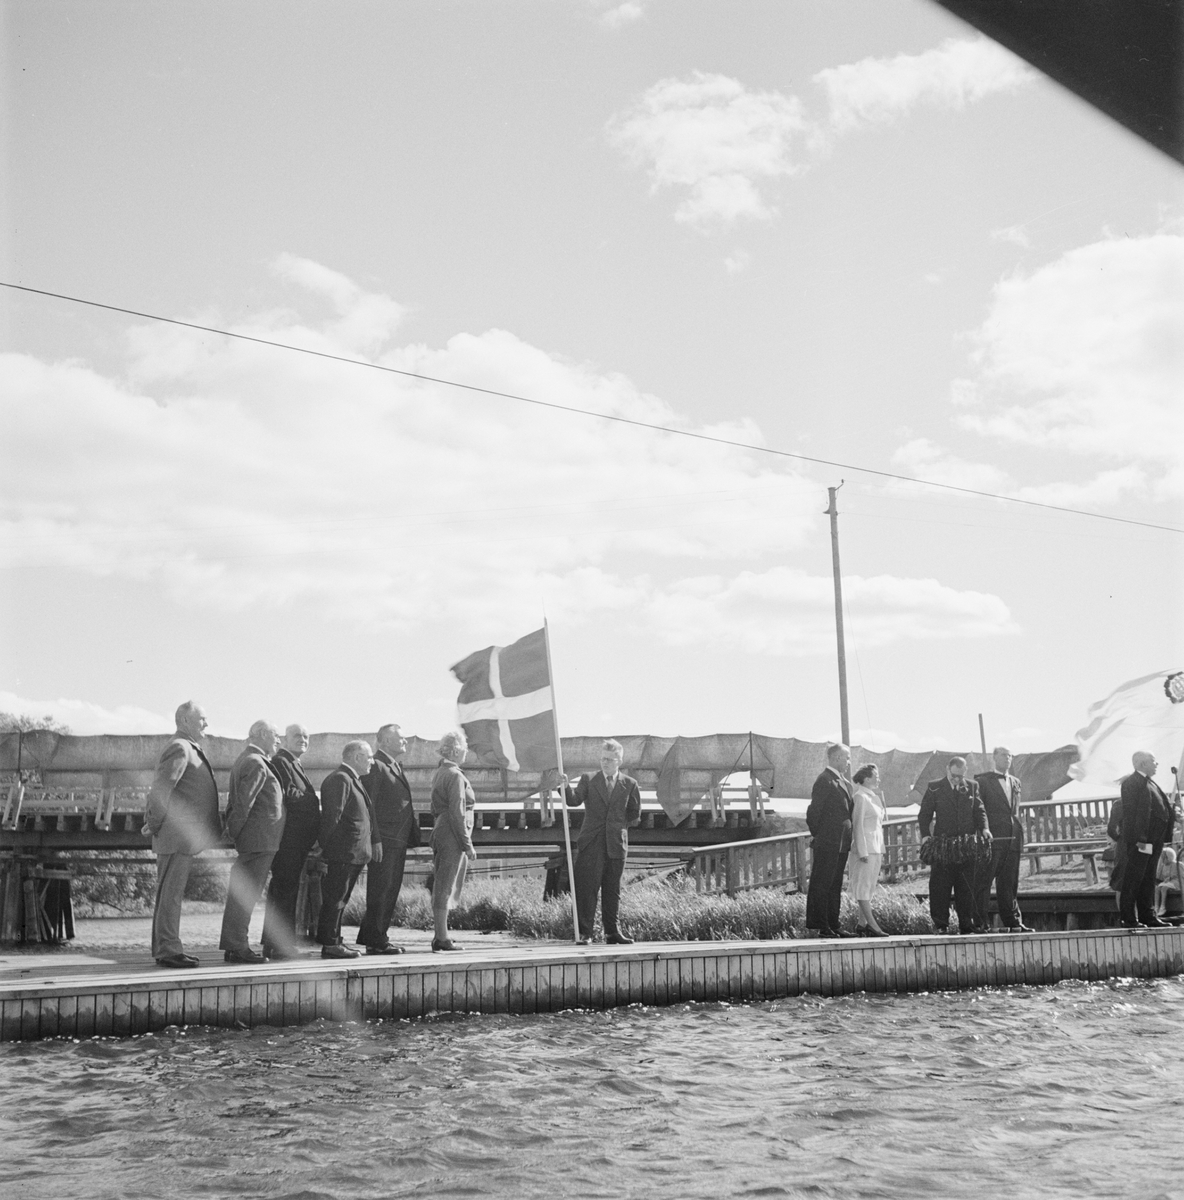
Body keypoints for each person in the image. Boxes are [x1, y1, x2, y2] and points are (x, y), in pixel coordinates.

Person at [144, 701, 222, 968]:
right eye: (202, 719)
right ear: (185, 721)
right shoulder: (179, 747)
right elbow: (160, 792)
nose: (206, 724)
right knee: (170, 895)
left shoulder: (189, 747)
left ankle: (169, 948)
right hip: (174, 836)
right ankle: (167, 951)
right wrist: (153, 825)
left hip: (180, 838)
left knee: (172, 894)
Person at [561, 739, 642, 945]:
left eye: (610, 759)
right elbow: (573, 800)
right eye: (603, 759)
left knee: (612, 890)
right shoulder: (589, 779)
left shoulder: (630, 784)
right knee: (586, 889)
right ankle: (585, 933)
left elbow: (634, 813)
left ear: (619, 761)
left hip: (616, 844)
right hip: (592, 842)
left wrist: (617, 826)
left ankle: (612, 932)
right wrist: (564, 787)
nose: (605, 763)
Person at [219, 721, 286, 964]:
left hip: (259, 839)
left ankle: (234, 945)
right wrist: (235, 831)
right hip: (258, 840)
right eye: (275, 735)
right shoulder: (255, 762)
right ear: (260, 735)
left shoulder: (251, 760)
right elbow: (242, 804)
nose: (279, 740)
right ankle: (237, 947)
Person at [357, 723, 420, 954]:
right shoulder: (377, 766)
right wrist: (375, 839)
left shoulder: (393, 765)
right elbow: (369, 804)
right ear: (384, 741)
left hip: (397, 838)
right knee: (381, 889)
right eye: (400, 738)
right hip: (385, 839)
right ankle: (376, 941)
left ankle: (374, 935)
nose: (405, 741)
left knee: (390, 888)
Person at [261, 723, 321, 960]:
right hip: (288, 839)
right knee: (284, 890)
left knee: (283, 890)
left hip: (295, 839)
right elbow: (288, 794)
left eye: (306, 736)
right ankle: (281, 946)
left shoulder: (293, 763)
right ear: (284, 740)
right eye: (297, 736)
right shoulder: (282, 762)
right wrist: (314, 800)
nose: (303, 739)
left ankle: (273, 943)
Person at [316, 740, 379, 958]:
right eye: (369, 757)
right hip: (343, 852)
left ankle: (334, 940)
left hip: (351, 852)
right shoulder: (340, 779)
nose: (372, 761)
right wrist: (327, 848)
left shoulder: (353, 779)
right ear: (356, 757)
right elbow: (332, 817)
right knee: (336, 898)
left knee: (340, 899)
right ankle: (331, 944)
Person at [919, 756, 990, 934]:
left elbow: (979, 810)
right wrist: (926, 836)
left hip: (967, 845)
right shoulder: (934, 786)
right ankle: (940, 925)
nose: (957, 779)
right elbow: (924, 814)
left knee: (966, 886)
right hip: (943, 845)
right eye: (954, 775)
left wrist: (985, 829)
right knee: (940, 886)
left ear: (965, 772)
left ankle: (967, 924)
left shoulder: (972, 786)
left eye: (960, 775)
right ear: (947, 769)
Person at [973, 746, 1033, 933]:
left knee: (1009, 881)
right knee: (984, 880)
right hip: (992, 837)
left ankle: (1013, 921)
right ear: (994, 758)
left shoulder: (1015, 782)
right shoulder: (983, 781)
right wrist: (983, 830)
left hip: (1013, 836)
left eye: (1010, 755)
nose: (1007, 758)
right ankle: (981, 922)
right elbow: (978, 809)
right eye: (1003, 755)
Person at [429, 730, 477, 951]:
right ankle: (442, 938)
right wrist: (467, 845)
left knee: (442, 882)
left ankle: (441, 935)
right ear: (457, 750)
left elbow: (436, 807)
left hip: (442, 828)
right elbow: (458, 811)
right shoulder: (456, 775)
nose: (466, 754)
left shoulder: (440, 772)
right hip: (452, 832)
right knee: (446, 884)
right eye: (465, 750)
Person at [1118, 750, 1175, 928]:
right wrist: (1139, 839)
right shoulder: (1132, 783)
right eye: (1153, 761)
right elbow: (1131, 814)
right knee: (1134, 877)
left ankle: (1147, 915)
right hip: (1141, 841)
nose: (1156, 764)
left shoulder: (1149, 782)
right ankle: (1128, 918)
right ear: (1142, 763)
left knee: (1149, 877)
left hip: (1153, 840)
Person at [805, 742, 854, 938]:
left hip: (841, 843)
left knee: (835, 884)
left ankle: (834, 924)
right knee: (823, 883)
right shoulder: (824, 780)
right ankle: (823, 926)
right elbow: (813, 812)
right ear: (835, 758)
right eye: (846, 758)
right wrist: (821, 835)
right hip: (828, 842)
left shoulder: (842, 781)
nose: (849, 762)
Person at [847, 763, 887, 936]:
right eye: (875, 776)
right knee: (863, 886)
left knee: (870, 886)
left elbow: (878, 825)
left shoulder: (874, 798)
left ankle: (861, 924)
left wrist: (880, 849)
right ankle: (872, 925)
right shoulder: (860, 797)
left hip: (876, 848)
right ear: (866, 778)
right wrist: (862, 851)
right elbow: (857, 826)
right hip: (865, 849)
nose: (878, 779)